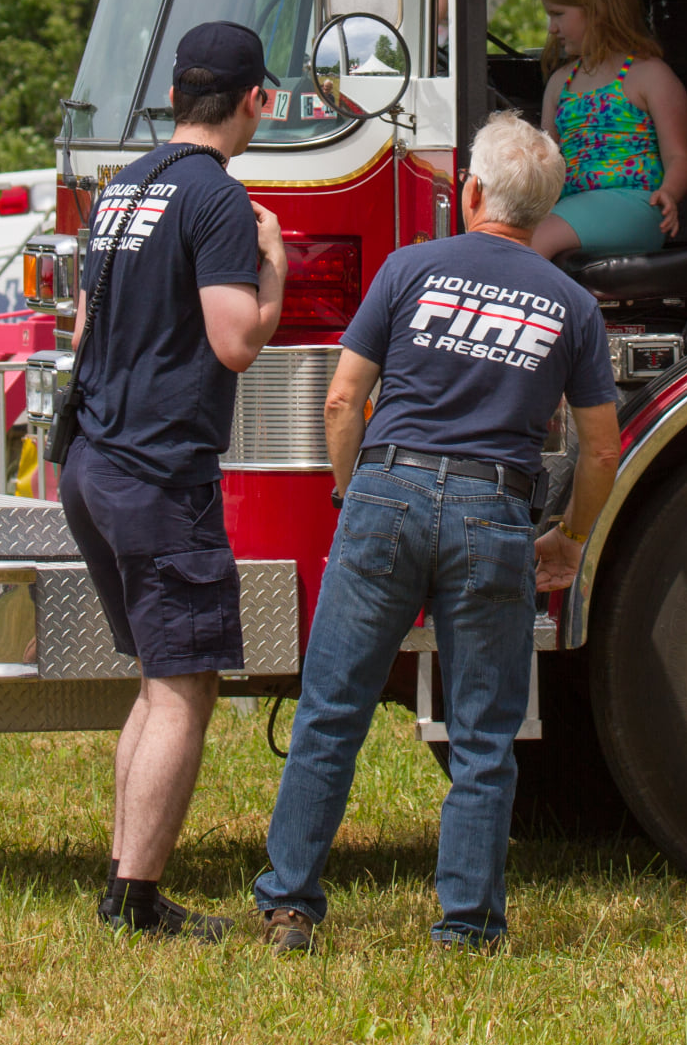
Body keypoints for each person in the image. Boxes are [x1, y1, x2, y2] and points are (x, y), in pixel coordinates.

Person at [255, 111, 621, 954]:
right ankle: (467, 924)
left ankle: (291, 906)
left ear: (472, 192)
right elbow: (600, 448)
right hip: (495, 510)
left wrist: (354, 492)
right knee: (484, 734)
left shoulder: (409, 267)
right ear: (544, 209)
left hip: (388, 490)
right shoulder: (572, 306)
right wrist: (570, 538)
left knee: (331, 712)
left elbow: (343, 400)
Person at [59, 21, 287, 941]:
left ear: (174, 95)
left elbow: (83, 332)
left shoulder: (123, 188)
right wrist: (274, 272)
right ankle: (138, 900)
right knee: (185, 689)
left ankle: (124, 888)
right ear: (256, 101)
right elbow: (235, 340)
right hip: (158, 474)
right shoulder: (217, 198)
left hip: (92, 462)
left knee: (159, 683)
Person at [530, 0, 687, 261]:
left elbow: (679, 157)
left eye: (558, 14)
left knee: (536, 239)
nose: (552, 28)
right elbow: (547, 161)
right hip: (573, 205)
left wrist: (669, 192)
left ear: (598, 10)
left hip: (635, 205)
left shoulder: (649, 75)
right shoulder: (560, 83)